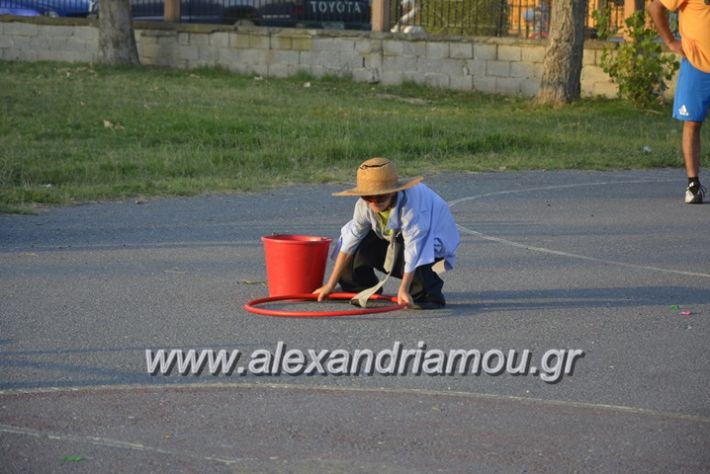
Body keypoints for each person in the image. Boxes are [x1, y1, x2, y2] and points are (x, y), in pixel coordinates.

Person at [313, 157, 460, 309]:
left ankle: (425, 293)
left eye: (381, 196)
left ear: (394, 192)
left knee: (421, 292)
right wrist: (330, 285)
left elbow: (415, 248)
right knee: (358, 238)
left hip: (430, 247)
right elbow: (349, 243)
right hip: (395, 239)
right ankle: (358, 286)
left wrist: (403, 289)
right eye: (368, 196)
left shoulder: (412, 208)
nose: (374, 203)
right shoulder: (364, 206)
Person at [649, 0, 710, 204]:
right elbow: (655, 7)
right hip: (697, 64)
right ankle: (693, 185)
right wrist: (670, 41)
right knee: (692, 122)